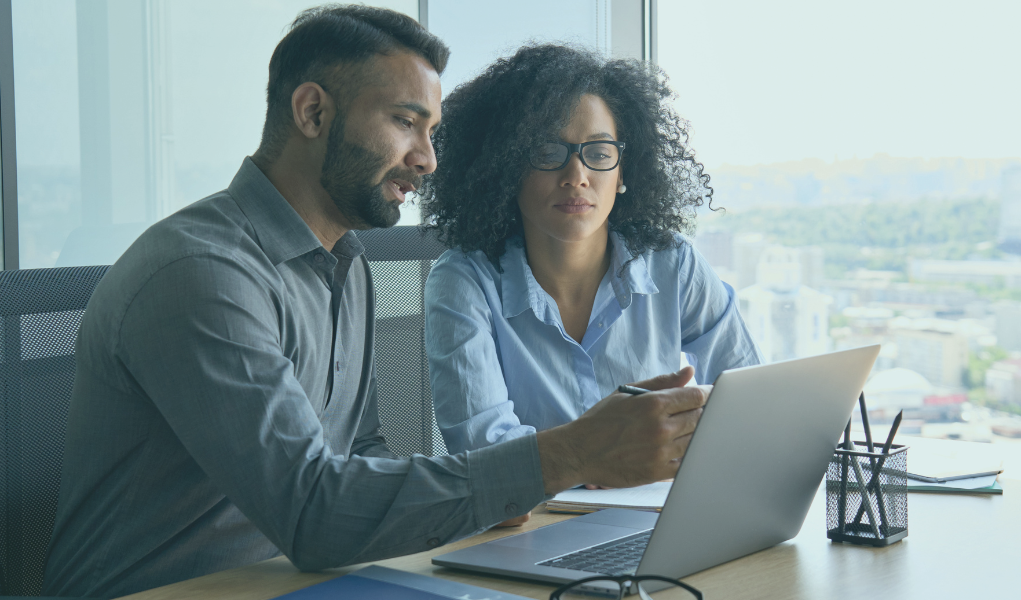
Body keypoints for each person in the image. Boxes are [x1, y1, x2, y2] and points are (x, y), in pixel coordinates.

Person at [41, 7, 706, 598]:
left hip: (304, 581)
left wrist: (490, 489)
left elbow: (361, 456)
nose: (428, 160)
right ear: (312, 113)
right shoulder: (201, 273)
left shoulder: (346, 264)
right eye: (404, 123)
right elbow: (313, 513)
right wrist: (565, 456)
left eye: (432, 131)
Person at [421, 46, 761, 460]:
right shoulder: (463, 281)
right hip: (533, 520)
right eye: (548, 152)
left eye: (599, 154)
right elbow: (486, 453)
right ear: (507, 168)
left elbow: (749, 397)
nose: (577, 177)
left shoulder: (673, 263)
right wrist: (604, 456)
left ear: (622, 173)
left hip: (658, 509)